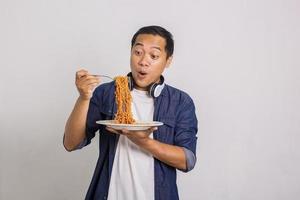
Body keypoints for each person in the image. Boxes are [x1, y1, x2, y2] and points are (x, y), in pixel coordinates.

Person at [63, 25, 198, 200]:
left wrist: (143, 142)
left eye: (154, 56)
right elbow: (71, 143)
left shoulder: (181, 102)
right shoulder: (107, 92)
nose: (143, 61)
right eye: (138, 52)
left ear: (168, 61)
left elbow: (187, 160)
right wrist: (83, 98)